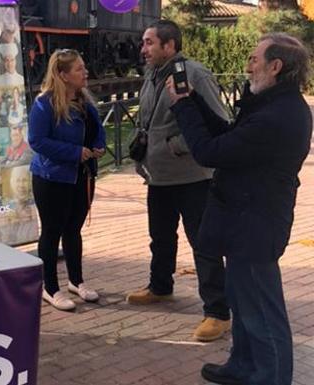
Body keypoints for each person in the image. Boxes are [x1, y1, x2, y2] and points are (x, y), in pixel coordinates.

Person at [167, 33, 312, 385]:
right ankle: (244, 366)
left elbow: (210, 152)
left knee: (262, 309)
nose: (247, 67)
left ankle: (272, 377)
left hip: (256, 223)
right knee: (244, 302)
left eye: (254, 59)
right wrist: (195, 100)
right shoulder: (272, 105)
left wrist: (183, 107)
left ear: (275, 66)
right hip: (245, 218)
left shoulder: (277, 116)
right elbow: (227, 137)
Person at [125, 20, 231, 342]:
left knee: (204, 243)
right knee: (160, 236)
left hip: (191, 177)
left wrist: (176, 147)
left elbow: (219, 122)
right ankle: (160, 286)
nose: (143, 49)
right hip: (159, 176)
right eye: (144, 43)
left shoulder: (193, 74)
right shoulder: (153, 74)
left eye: (149, 43)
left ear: (169, 46)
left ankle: (217, 312)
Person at [28, 49, 106, 311]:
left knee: (74, 229)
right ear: (62, 74)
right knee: (52, 231)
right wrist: (75, 152)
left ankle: (76, 280)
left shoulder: (85, 101)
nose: (85, 72)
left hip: (82, 176)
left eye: (84, 67)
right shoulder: (44, 104)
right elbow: (37, 141)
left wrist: (98, 146)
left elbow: (98, 132)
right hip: (52, 177)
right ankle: (50, 287)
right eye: (79, 69)